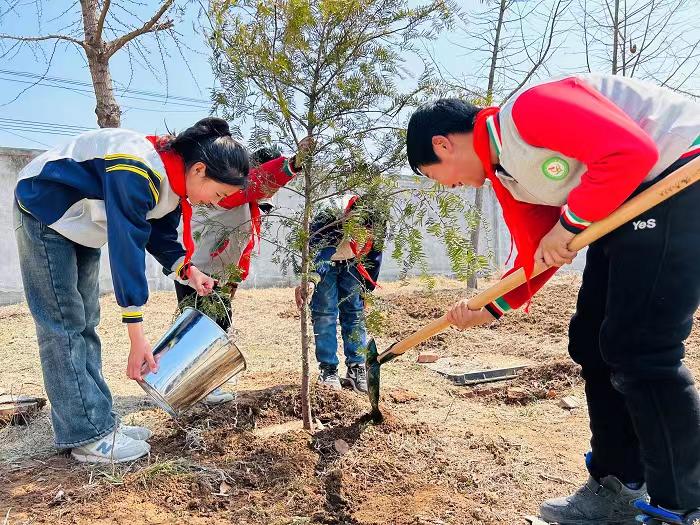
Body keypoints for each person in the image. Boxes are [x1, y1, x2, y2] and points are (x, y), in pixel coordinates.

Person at [406, 74, 700, 524]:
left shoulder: (529, 111)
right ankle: (619, 481)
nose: (447, 187)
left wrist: (570, 225)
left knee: (642, 348)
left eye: (433, 176)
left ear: (443, 145)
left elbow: (630, 152)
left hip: (677, 177)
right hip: (625, 204)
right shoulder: (509, 177)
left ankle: (680, 503)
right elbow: (537, 254)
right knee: (589, 340)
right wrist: (487, 306)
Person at [14, 117, 249, 463]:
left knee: (85, 322)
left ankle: (100, 420)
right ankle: (86, 434)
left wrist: (188, 270)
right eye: (219, 193)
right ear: (199, 169)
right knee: (63, 325)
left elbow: (159, 235)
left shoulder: (172, 185)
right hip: (45, 210)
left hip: (80, 226)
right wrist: (137, 338)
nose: (215, 203)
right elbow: (127, 245)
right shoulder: (138, 167)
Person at [174, 138, 312, 404]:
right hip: (199, 274)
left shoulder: (243, 199)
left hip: (217, 277)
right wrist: (293, 165)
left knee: (215, 327)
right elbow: (260, 181)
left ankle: (200, 386)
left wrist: (236, 281)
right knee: (201, 330)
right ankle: (194, 387)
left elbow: (242, 247)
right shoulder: (233, 190)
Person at [295, 194, 385, 393]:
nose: (361, 234)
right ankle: (328, 369)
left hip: (353, 263)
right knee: (325, 314)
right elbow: (321, 252)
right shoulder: (329, 215)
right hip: (328, 261)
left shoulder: (377, 220)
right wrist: (312, 279)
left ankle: (356, 367)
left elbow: (374, 255)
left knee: (355, 313)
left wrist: (366, 290)